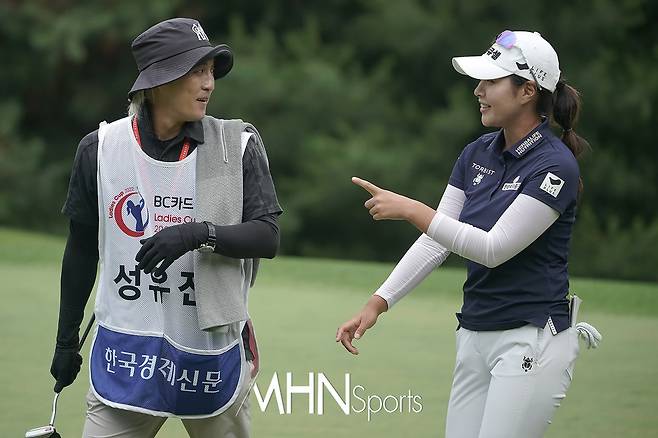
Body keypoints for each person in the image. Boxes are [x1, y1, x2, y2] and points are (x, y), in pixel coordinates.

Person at [336, 30, 600, 437]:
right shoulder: (476, 152)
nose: (478, 91)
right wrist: (378, 302)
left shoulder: (555, 166)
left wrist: (411, 209)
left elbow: (493, 249)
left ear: (527, 91)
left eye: (491, 81)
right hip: (475, 333)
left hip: (530, 337)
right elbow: (435, 242)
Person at [50, 17, 282, 438]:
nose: (209, 83)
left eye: (211, 71)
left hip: (210, 358)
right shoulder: (100, 149)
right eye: (197, 71)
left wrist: (199, 233)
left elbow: (267, 236)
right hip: (127, 357)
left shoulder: (238, 146)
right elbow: (81, 250)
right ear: (158, 83)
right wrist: (66, 342)